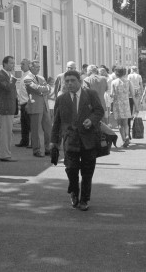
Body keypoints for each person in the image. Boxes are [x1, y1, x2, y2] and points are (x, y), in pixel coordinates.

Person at [50, 70, 104, 211]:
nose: (69, 83)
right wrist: (53, 141)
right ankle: (74, 191)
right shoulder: (61, 99)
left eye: (72, 80)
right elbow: (56, 122)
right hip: (70, 140)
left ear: (79, 81)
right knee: (71, 169)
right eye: (66, 81)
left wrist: (91, 120)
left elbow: (99, 111)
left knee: (87, 173)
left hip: (88, 139)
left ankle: (85, 199)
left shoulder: (90, 94)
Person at [24, 60, 52, 157]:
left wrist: (44, 89)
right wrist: (45, 88)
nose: (38, 68)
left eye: (39, 67)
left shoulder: (41, 77)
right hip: (35, 105)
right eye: (36, 67)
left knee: (48, 128)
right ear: (31, 67)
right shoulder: (27, 78)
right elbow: (36, 89)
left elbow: (48, 90)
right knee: (36, 129)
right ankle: (36, 150)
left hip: (44, 105)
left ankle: (48, 148)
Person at [0, 56, 19, 162]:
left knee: (8, 132)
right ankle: (5, 155)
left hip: (9, 107)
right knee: (6, 132)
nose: (13, 65)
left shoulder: (8, 75)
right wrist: (13, 80)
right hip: (5, 107)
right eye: (11, 63)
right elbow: (8, 88)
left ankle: (4, 153)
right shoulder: (0, 76)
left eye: (13, 63)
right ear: (4, 64)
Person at [110, 67, 133, 148]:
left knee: (120, 124)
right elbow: (132, 94)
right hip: (126, 103)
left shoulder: (114, 82)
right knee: (126, 123)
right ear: (124, 73)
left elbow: (112, 94)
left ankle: (124, 139)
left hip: (117, 104)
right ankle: (127, 135)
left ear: (116, 73)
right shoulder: (128, 81)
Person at [15, 58, 32, 148]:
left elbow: (31, 91)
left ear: (28, 65)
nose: (21, 66)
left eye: (23, 64)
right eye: (21, 64)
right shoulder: (23, 75)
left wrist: (29, 102)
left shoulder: (29, 76)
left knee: (30, 124)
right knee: (24, 124)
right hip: (22, 103)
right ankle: (24, 141)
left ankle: (32, 142)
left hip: (27, 103)